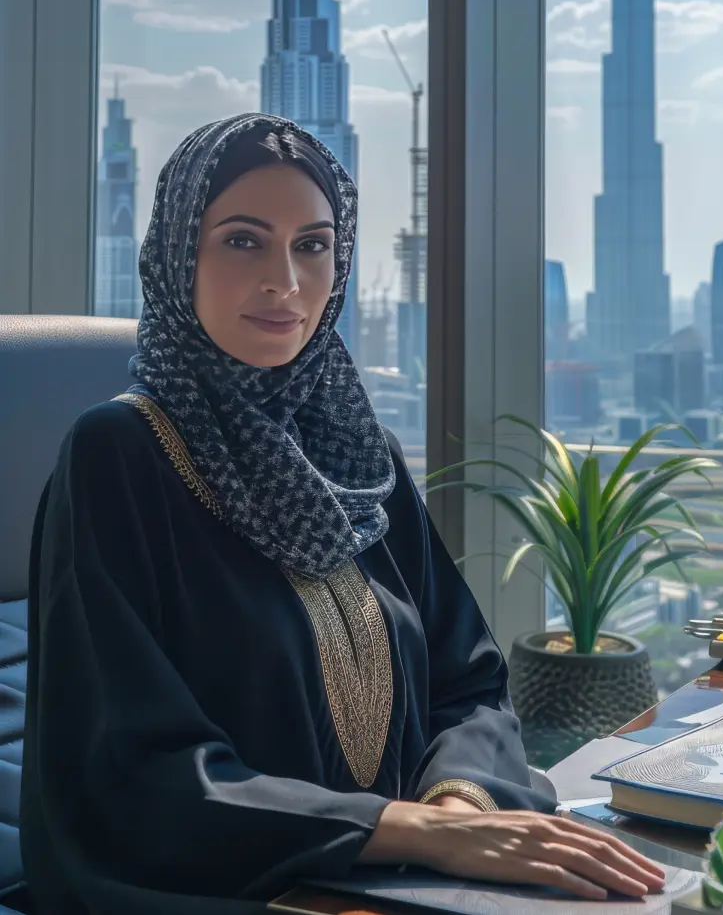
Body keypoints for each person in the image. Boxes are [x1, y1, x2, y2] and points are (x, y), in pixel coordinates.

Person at [21, 113, 665, 914]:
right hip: (241, 886)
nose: (285, 281)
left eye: (314, 245)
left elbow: (466, 679)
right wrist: (412, 833)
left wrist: (461, 811)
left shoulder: (358, 450)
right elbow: (133, 771)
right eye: (243, 240)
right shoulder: (119, 455)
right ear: (177, 254)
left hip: (405, 879)